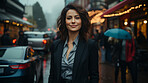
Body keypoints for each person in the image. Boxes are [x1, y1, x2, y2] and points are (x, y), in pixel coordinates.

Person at [48, 3, 99, 83]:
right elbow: (52, 75)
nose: (73, 21)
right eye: (69, 18)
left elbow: (94, 76)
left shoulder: (90, 45)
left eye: (77, 18)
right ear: (64, 21)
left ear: (82, 21)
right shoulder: (56, 45)